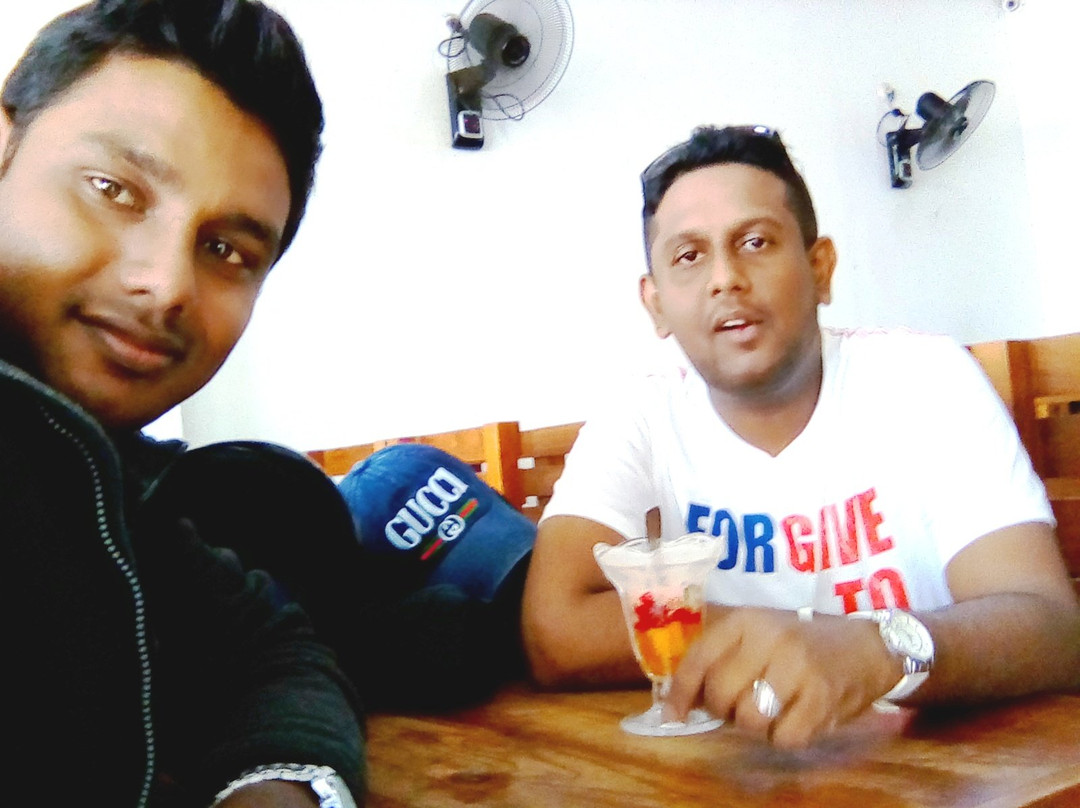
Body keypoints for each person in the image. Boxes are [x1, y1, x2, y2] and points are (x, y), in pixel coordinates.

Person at [520, 124, 1080, 750]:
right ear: (655, 305)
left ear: (820, 269)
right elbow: (555, 629)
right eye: (689, 256)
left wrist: (878, 649)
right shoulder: (639, 413)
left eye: (755, 242)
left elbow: (1048, 625)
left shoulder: (925, 377)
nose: (725, 278)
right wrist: (786, 636)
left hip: (947, 766)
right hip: (737, 778)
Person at [0, 1, 363, 805]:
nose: (167, 285)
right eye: (114, 190)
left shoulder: (96, 479)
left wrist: (280, 785)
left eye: (225, 250)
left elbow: (270, 655)